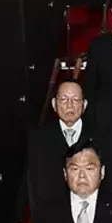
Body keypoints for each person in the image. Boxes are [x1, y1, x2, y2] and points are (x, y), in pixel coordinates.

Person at [27, 80, 93, 213]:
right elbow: (33, 184)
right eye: (63, 99)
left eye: (75, 100)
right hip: (52, 215)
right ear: (54, 104)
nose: (69, 105)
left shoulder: (100, 136)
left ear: (84, 105)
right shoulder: (38, 138)